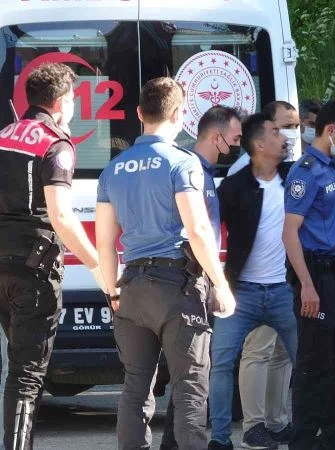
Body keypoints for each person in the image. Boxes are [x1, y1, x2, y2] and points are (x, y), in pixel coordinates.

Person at [95, 77, 236, 450]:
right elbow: (199, 230)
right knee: (189, 388)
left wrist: (113, 292)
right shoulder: (183, 163)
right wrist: (221, 285)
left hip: (132, 287)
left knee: (135, 388)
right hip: (177, 288)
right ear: (178, 114)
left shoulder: (113, 169)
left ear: (139, 113)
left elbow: (104, 244)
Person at [0, 62, 104, 450]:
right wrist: (97, 265)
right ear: (60, 102)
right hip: (33, 271)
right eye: (73, 99)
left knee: (13, 365)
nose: (74, 106)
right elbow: (61, 216)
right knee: (27, 373)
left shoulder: (4, 135)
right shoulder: (55, 143)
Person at [207, 106, 300, 450]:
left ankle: (298, 427)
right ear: (259, 145)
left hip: (283, 291)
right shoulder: (234, 186)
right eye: (276, 132)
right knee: (221, 363)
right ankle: (220, 438)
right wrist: (215, 282)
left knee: (303, 360)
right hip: (240, 293)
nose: (285, 137)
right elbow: (209, 230)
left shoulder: (294, 179)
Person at [283, 97, 335, 450]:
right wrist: (306, 285)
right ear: (332, 130)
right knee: (314, 365)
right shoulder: (305, 172)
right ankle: (303, 440)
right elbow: (290, 233)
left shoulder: (331, 165)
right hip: (314, 273)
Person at [159, 105, 242, 450]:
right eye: (235, 138)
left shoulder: (200, 171)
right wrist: (215, 282)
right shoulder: (192, 171)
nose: (237, 145)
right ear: (216, 137)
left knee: (190, 372)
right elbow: (196, 232)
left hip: (195, 278)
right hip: (192, 279)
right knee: (191, 373)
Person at [228, 101, 300, 174]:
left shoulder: (288, 159)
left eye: (296, 126)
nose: (293, 132)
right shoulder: (245, 167)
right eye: (287, 126)